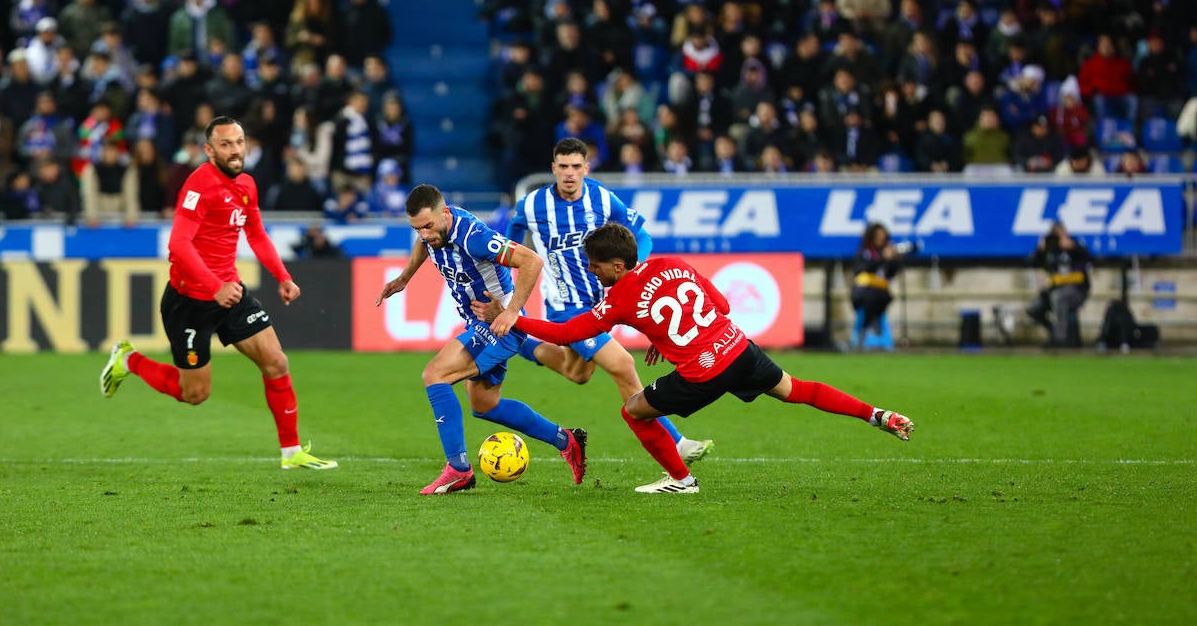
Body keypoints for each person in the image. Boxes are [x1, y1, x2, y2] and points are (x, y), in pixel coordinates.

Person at [473, 223, 915, 494]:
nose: (592, 271)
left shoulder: (621, 297)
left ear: (619, 266)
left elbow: (569, 332)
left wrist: (512, 316)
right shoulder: (672, 263)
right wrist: (665, 336)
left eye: (596, 265)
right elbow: (720, 304)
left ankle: (681, 480)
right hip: (739, 348)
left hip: (703, 371)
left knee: (634, 411)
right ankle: (877, 415)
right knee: (796, 389)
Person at [99, 116, 338, 471]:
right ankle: (128, 360)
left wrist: (282, 276)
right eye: (226, 144)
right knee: (194, 394)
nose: (235, 149)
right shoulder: (199, 186)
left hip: (230, 294)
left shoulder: (247, 185)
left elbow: (256, 234)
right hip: (191, 302)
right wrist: (214, 286)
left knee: (276, 362)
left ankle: (291, 453)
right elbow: (178, 244)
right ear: (209, 150)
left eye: (239, 141)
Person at [508, 137, 714, 475]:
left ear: (586, 168)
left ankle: (523, 345)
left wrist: (635, 268)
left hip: (603, 302)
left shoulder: (603, 198)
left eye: (576, 167)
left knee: (579, 373)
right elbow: (510, 243)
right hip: (566, 306)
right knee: (622, 365)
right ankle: (676, 442)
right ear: (553, 169)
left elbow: (642, 236)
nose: (570, 174)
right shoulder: (531, 205)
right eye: (563, 167)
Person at [376, 183, 587, 496]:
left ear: (444, 213)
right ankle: (567, 440)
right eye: (417, 229)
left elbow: (531, 261)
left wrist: (512, 312)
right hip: (479, 322)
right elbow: (427, 244)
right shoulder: (434, 230)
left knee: (435, 374)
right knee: (484, 405)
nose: (424, 235)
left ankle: (458, 470)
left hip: (498, 326)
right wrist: (405, 277)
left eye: (428, 226)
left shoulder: (475, 237)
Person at [1026, 221, 1092, 348]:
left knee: (1059, 298)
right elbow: (1031, 263)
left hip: (1076, 290)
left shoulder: (1074, 246)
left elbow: (1090, 259)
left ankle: (1060, 339)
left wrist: (1073, 247)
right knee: (1034, 308)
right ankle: (1054, 331)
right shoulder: (1051, 250)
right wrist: (1040, 250)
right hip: (1055, 289)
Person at [850, 222, 909, 351]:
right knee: (872, 296)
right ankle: (869, 325)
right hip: (862, 293)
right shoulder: (864, 252)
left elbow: (891, 273)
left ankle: (872, 324)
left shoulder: (888, 251)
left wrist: (893, 259)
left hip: (880, 295)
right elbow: (863, 270)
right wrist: (882, 258)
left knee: (881, 295)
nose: (880, 239)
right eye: (877, 235)